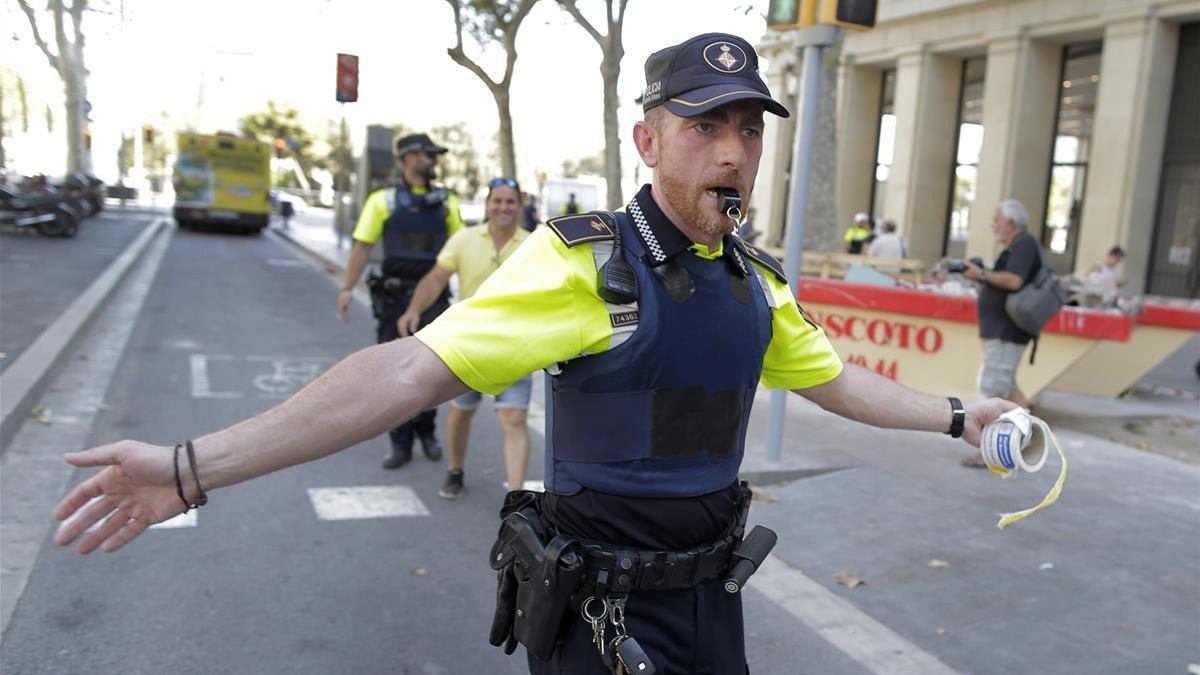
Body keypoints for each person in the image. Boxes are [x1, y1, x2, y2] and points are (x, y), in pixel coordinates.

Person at [52, 32, 1015, 675]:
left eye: (747, 129)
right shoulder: (583, 264)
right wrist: (189, 468)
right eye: (704, 125)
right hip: (608, 625)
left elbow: (839, 381)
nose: (731, 150)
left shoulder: (752, 281)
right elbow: (403, 370)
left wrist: (966, 417)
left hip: (714, 607)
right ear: (649, 139)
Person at [397, 178, 533, 500]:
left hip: (515, 345)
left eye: (510, 201)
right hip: (469, 344)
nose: (503, 207)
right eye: (497, 201)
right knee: (461, 412)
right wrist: (414, 309)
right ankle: (455, 470)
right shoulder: (464, 239)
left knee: (513, 417)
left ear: (520, 206)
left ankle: (515, 498)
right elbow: (436, 278)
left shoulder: (534, 244)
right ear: (487, 205)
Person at [335, 132, 465, 469]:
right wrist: (348, 287)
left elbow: (460, 249)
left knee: (434, 370)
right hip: (394, 297)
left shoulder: (447, 201)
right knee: (393, 374)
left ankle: (427, 434)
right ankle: (400, 443)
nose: (434, 161)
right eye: (429, 155)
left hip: (435, 299)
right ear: (408, 157)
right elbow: (363, 246)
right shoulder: (383, 200)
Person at [960, 199, 1043, 467]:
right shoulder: (1019, 246)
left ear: (1010, 222)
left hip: (1007, 331)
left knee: (993, 390)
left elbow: (1014, 280)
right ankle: (1028, 437)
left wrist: (982, 273)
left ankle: (992, 450)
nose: (993, 224)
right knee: (1007, 385)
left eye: (996, 219)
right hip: (1005, 330)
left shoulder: (1024, 244)